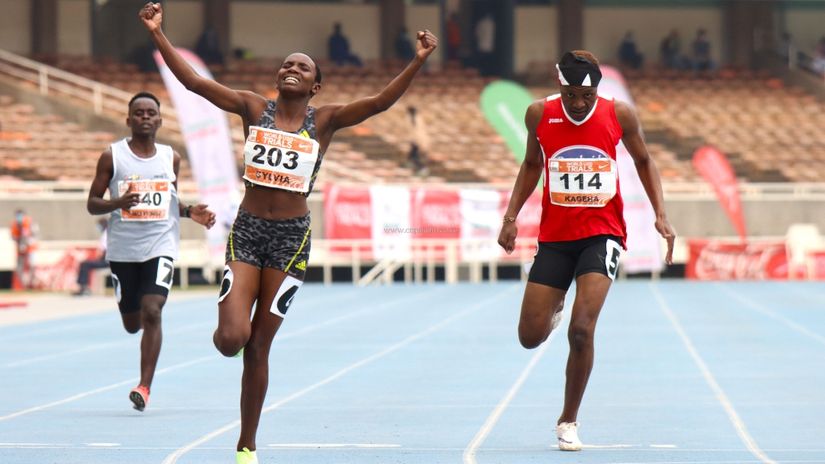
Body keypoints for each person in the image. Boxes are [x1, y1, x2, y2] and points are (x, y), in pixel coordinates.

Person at [139, 3, 437, 463]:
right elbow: (196, 84)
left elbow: (379, 103)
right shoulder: (251, 106)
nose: (291, 69)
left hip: (292, 239)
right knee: (231, 341)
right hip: (249, 232)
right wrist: (159, 34)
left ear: (315, 85)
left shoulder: (328, 119)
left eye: (302, 67)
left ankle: (246, 445)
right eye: (286, 64)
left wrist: (416, 60)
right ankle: (230, 329)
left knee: (260, 346)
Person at [497, 50, 675, 451]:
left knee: (582, 330)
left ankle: (568, 421)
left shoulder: (619, 114)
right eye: (573, 94)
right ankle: (554, 305)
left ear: (598, 90)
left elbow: (645, 160)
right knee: (530, 336)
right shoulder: (538, 114)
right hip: (556, 238)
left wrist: (661, 215)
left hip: (603, 235)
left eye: (587, 96)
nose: (579, 104)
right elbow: (530, 165)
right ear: (559, 85)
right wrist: (510, 217)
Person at [86, 91, 216, 412]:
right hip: (123, 250)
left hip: (161, 245)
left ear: (159, 120)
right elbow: (92, 203)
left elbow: (170, 201)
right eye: (139, 113)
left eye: (150, 113)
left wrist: (189, 213)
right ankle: (140, 322)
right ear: (129, 120)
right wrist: (118, 202)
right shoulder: (112, 157)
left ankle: (144, 386)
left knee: (153, 310)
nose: (145, 117)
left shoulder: (171, 158)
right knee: (133, 323)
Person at [73, 217, 110, 296]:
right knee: (86, 263)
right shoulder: (107, 233)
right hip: (107, 260)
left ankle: (84, 288)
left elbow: (103, 251)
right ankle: (83, 287)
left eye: (98, 225)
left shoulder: (106, 234)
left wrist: (99, 258)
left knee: (85, 264)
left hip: (107, 261)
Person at [10, 209, 38, 289]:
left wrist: (27, 241)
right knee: (20, 266)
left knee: (32, 265)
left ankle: (32, 283)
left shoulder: (29, 222)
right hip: (20, 247)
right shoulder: (15, 224)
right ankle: (21, 285)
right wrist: (20, 242)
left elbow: (33, 234)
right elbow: (13, 236)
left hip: (30, 247)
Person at [406, 106, 429, 176]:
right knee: (412, 157)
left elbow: (418, 131)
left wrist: (420, 142)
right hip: (414, 140)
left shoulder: (416, 119)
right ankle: (420, 169)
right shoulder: (411, 118)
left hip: (417, 141)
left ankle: (422, 168)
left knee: (414, 157)